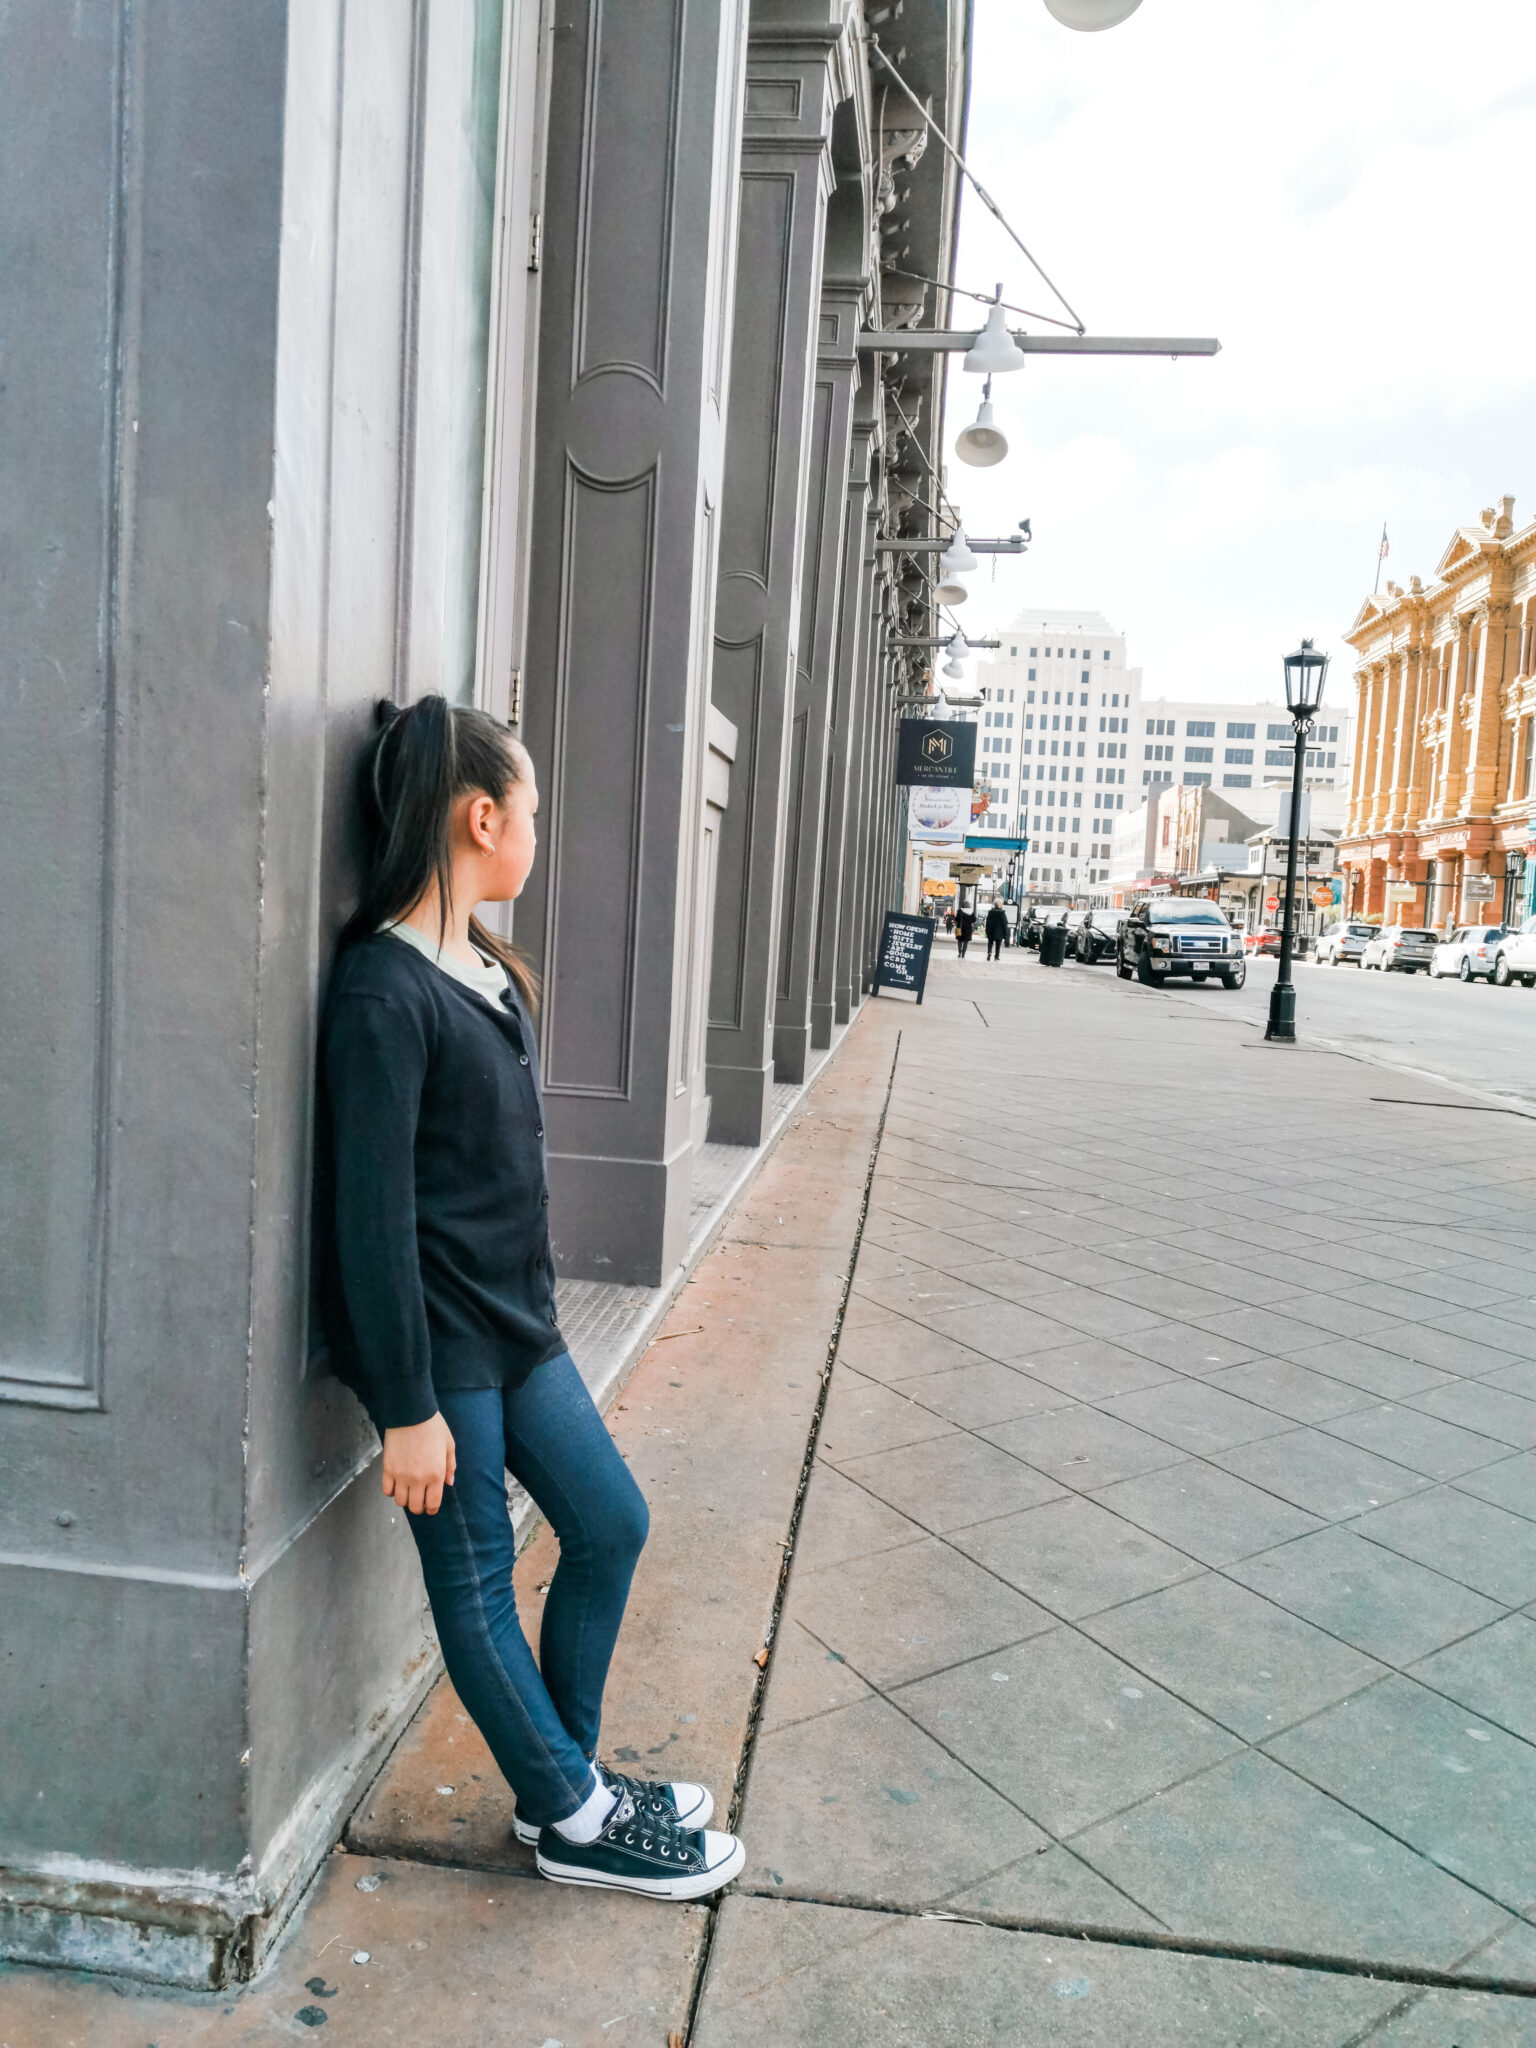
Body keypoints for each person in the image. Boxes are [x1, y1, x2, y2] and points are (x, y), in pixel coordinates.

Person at [318, 696, 743, 1903]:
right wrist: (405, 1406)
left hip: (520, 1330)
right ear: (481, 814)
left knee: (611, 1521)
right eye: (534, 813)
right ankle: (574, 1812)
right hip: (441, 1358)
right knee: (477, 1583)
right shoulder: (379, 994)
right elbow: (369, 1219)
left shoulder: (482, 967)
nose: (540, 836)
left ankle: (564, 1783)